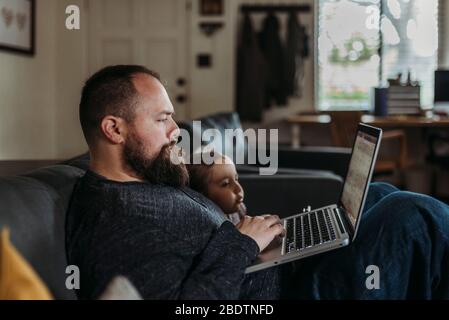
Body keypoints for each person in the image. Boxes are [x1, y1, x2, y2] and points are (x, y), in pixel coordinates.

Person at [66, 65, 449, 300]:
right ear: (113, 129)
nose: (175, 132)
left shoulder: (142, 179)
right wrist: (242, 243)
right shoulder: (114, 223)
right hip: (289, 295)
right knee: (413, 214)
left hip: (277, 271)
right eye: (162, 119)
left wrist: (254, 234)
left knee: (380, 194)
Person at [187, 151, 247, 225]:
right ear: (202, 195)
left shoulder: (239, 210)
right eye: (226, 184)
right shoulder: (206, 225)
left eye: (236, 179)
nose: (239, 189)